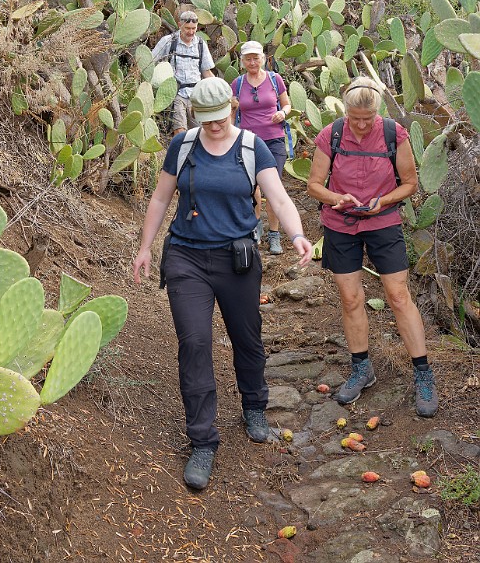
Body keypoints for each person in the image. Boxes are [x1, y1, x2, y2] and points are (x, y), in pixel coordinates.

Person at [133, 77, 312, 491]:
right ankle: (202, 441)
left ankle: (254, 406)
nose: (215, 126)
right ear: (196, 113)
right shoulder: (183, 146)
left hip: (237, 259)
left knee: (247, 338)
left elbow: (279, 197)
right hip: (186, 257)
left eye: (221, 117)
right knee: (194, 343)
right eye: (206, 119)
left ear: (234, 107)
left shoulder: (252, 147)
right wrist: (145, 247)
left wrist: (297, 233)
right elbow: (161, 198)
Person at [306, 76, 438, 418]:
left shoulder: (395, 133)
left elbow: (409, 183)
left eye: (368, 119)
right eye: (355, 119)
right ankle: (361, 368)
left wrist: (383, 201)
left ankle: (423, 373)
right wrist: (337, 198)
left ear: (377, 113)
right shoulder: (331, 134)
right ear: (345, 112)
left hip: (383, 223)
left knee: (397, 295)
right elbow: (314, 185)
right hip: (341, 225)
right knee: (350, 298)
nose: (361, 126)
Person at [231, 41, 292, 255]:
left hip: (274, 140)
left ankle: (274, 235)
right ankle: (256, 225)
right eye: (248, 58)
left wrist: (282, 113)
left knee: (273, 187)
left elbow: (287, 104)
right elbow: (232, 112)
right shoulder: (238, 83)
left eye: (256, 58)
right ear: (242, 62)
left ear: (263, 59)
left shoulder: (275, 80)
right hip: (248, 141)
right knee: (252, 186)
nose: (252, 62)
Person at [151, 10, 214, 135]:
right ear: (180, 25)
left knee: (200, 132)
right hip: (176, 92)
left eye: (194, 28)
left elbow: (206, 72)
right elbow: (150, 62)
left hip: (196, 94)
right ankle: (180, 154)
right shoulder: (168, 41)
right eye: (187, 28)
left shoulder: (201, 44)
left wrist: (220, 89)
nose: (191, 32)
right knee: (180, 131)